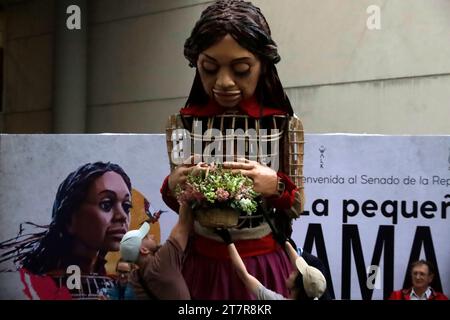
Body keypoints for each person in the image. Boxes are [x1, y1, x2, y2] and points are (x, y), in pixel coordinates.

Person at [161, 0, 305, 299]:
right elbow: (180, 206)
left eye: (241, 69)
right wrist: (175, 186)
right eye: (209, 68)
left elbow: (297, 205)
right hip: (202, 263)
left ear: (262, 65)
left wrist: (275, 186)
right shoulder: (183, 124)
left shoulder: (283, 125)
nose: (224, 82)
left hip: (262, 261)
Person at [0, 162, 132, 299]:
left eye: (127, 206)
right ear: (70, 218)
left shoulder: (115, 285)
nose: (122, 216)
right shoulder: (27, 288)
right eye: (106, 204)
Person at [215, 228, 326, 300]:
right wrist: (285, 243)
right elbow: (298, 263)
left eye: (296, 272)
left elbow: (244, 276)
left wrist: (229, 242)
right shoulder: (312, 294)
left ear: (298, 284)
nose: (293, 271)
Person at [119, 203, 193, 300]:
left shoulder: (136, 278)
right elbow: (184, 224)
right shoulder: (160, 264)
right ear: (144, 250)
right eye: (146, 237)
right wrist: (186, 199)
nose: (152, 236)